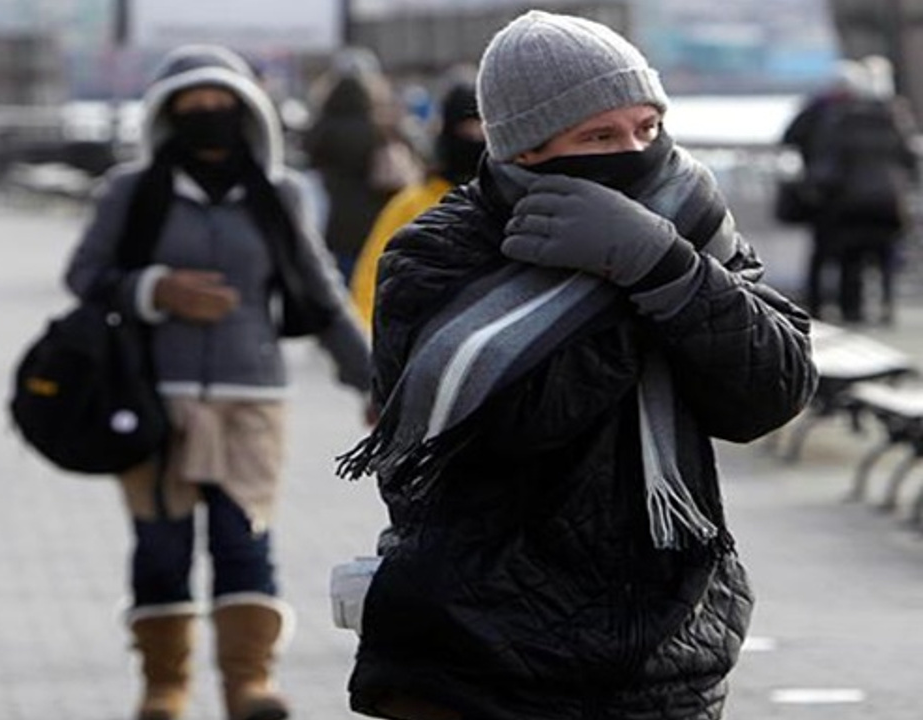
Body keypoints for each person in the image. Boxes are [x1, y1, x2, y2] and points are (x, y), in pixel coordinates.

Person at [336, 11, 817, 719]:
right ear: (527, 148)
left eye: (647, 127)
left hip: (665, 646)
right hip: (477, 651)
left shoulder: (689, 227)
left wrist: (669, 270)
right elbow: (514, 425)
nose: (636, 151)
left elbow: (770, 392)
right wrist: (634, 287)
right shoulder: (436, 252)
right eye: (600, 137)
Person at [64, 45, 372, 720]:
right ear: (166, 115)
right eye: (191, 105)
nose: (208, 115)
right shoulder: (131, 190)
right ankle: (164, 686)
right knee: (160, 545)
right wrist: (155, 289)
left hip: (250, 398)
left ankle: (248, 683)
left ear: (248, 111)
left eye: (221, 103)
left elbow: (321, 295)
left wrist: (376, 384)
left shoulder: (278, 194)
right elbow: (84, 276)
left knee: (244, 539)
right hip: (153, 399)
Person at [781, 58, 916, 324]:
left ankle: (845, 309)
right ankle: (885, 306)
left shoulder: (836, 117)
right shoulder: (893, 118)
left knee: (846, 256)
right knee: (883, 254)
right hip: (888, 198)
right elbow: (908, 157)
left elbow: (821, 157)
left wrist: (814, 187)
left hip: (846, 199)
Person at [349, 78, 484, 328]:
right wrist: (371, 336)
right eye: (467, 129)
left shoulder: (515, 202)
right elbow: (372, 277)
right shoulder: (411, 206)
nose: (476, 138)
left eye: (483, 129)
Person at [304, 49, 421, 282]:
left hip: (336, 219)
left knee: (344, 280)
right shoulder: (380, 127)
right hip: (380, 216)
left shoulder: (321, 129)